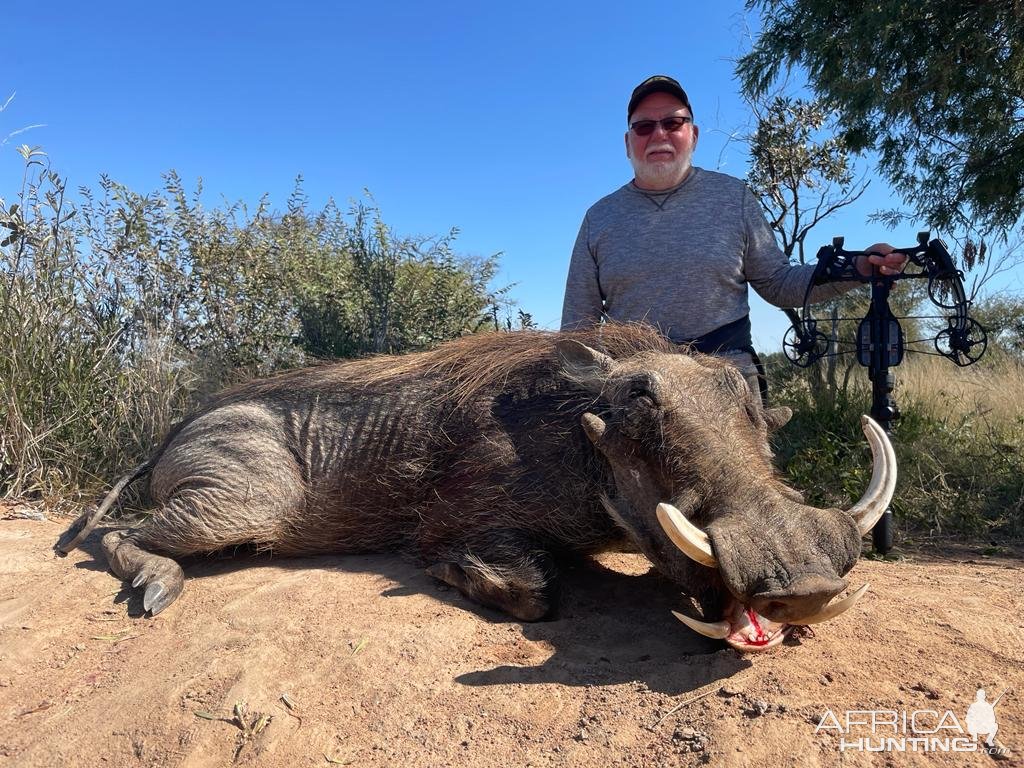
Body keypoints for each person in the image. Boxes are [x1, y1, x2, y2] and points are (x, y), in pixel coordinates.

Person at [561, 75, 908, 404]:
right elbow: (578, 329)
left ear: (693, 134)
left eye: (673, 123)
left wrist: (858, 267)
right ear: (627, 143)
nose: (659, 134)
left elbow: (779, 283)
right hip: (637, 394)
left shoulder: (734, 198)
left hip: (728, 385)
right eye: (644, 127)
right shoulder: (599, 218)